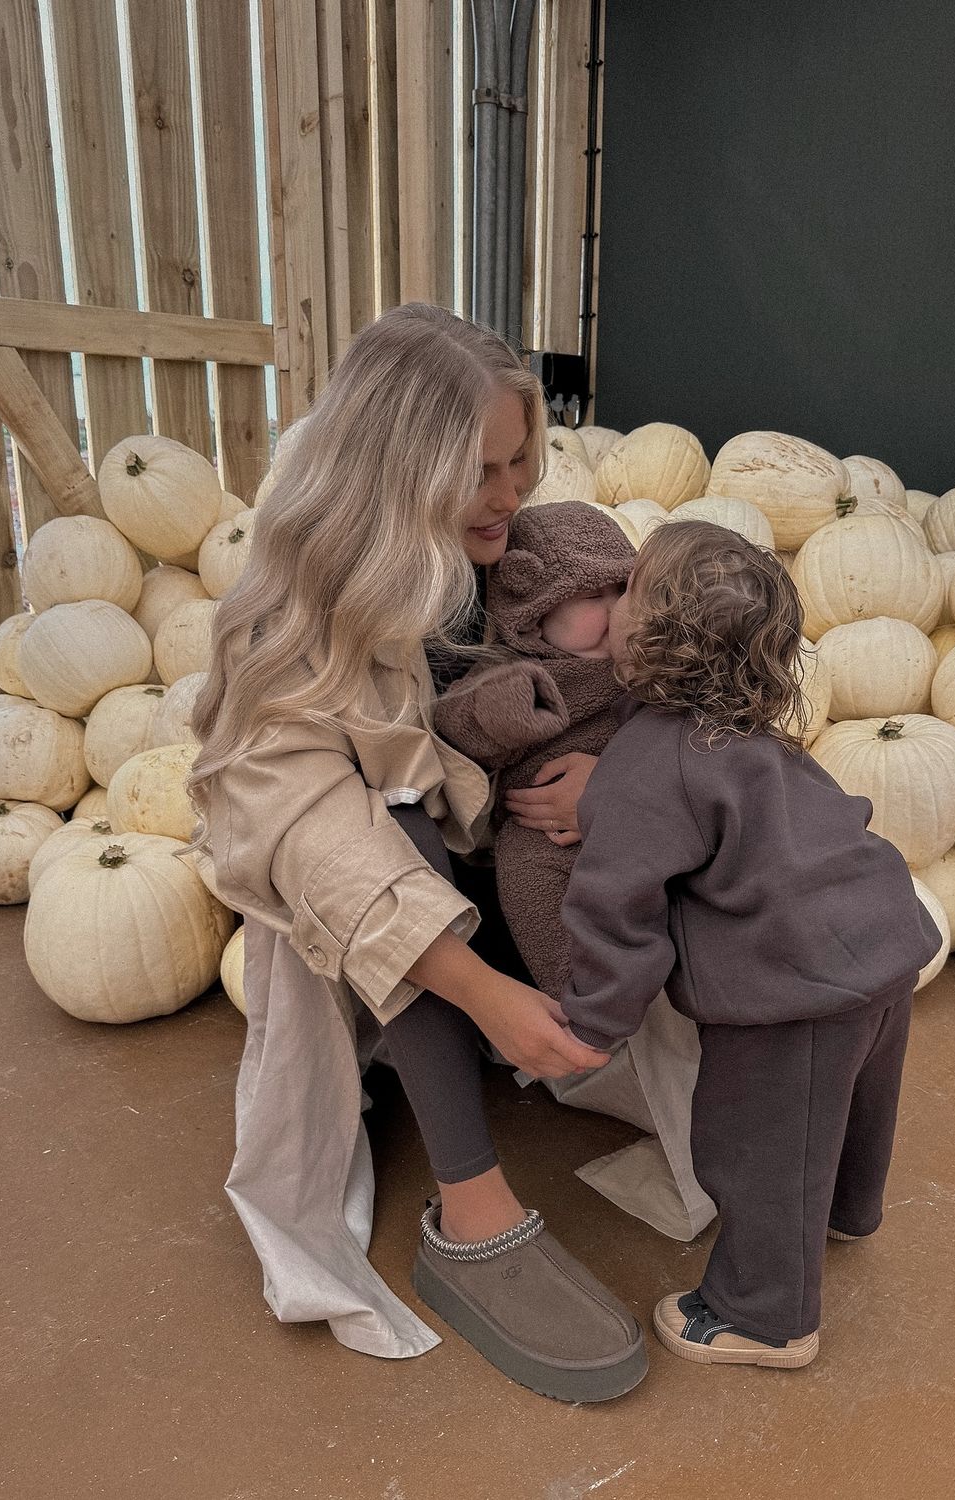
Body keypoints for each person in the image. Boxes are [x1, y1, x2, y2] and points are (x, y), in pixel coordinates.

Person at [186, 303, 647, 1403]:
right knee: (387, 820)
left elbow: (657, 665)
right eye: (477, 470)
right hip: (387, 901)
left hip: (514, 861)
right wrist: (482, 989)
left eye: (518, 460)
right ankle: (470, 1202)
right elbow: (308, 831)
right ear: (394, 473)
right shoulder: (291, 616)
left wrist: (618, 784)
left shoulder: (530, 549)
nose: (508, 493)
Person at [558, 522, 943, 1370]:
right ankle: (849, 1209)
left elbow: (616, 908)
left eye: (626, 592)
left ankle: (765, 1317)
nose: (610, 600)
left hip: (797, 989)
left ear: (652, 635)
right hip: (882, 939)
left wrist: (592, 1023)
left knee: (757, 1147)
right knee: (855, 1107)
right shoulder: (746, 731)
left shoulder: (646, 767)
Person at [434, 499, 635, 999]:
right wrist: (504, 709)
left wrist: (620, 787)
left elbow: (690, 737)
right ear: (533, 616)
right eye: (593, 595)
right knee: (528, 877)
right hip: (542, 833)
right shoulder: (509, 672)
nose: (617, 610)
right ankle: (580, 996)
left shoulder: (647, 663)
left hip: (641, 816)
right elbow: (456, 729)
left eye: (625, 590)